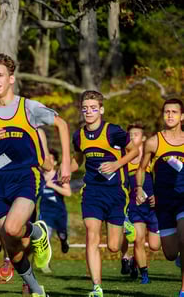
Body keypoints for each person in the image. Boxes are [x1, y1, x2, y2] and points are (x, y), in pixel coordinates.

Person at [0, 53, 71, 297]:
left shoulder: (29, 107)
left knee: (14, 227)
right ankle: (36, 289)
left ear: (11, 79)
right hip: (1, 181)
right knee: (11, 245)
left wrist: (67, 163)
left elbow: (62, 125)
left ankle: (38, 233)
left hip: (26, 176)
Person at [70, 90, 140, 297]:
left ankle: (125, 223)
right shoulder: (79, 135)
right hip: (91, 192)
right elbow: (77, 160)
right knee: (92, 236)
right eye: (85, 108)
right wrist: (63, 170)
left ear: (101, 109)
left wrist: (116, 164)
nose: (88, 112)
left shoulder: (113, 131)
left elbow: (134, 151)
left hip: (116, 192)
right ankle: (97, 287)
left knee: (112, 246)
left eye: (93, 108)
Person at [136, 98, 184, 296]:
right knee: (171, 253)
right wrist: (140, 188)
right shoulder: (154, 142)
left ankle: (183, 289)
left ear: (182, 116)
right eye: (166, 112)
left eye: (174, 112)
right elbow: (141, 169)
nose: (170, 115)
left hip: (182, 197)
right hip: (163, 203)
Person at [119, 122, 160, 284]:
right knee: (138, 240)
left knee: (155, 245)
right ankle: (144, 275)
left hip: (152, 207)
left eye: (135, 134)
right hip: (134, 207)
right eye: (130, 135)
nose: (132, 137)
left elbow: (162, 180)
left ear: (143, 138)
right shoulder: (125, 160)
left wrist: (156, 196)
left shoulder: (151, 158)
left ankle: (134, 263)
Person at [38, 148, 71, 274]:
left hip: (59, 212)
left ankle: (64, 240)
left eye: (51, 158)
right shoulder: (40, 176)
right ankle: (45, 264)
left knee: (62, 233)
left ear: (56, 162)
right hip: (45, 212)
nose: (48, 161)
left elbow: (68, 193)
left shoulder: (59, 176)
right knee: (45, 237)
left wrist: (53, 186)